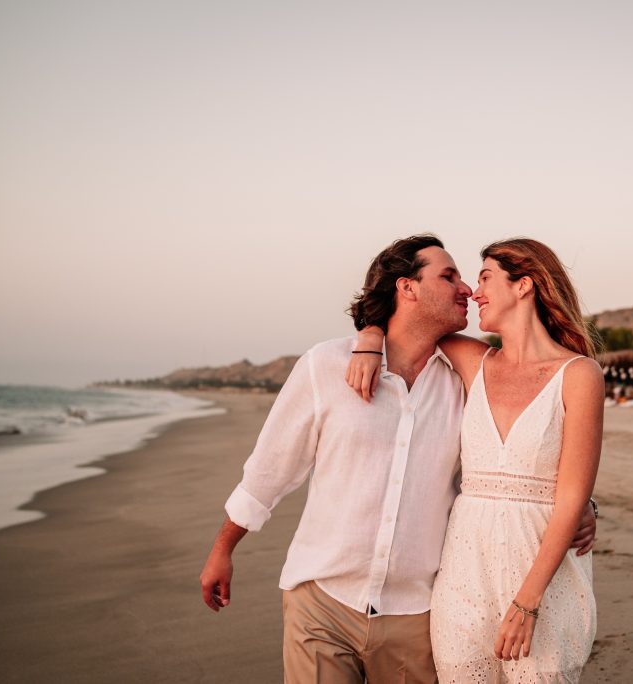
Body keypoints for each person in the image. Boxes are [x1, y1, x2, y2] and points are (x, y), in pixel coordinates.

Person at [198, 234, 596, 683]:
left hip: (415, 610)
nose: (467, 288)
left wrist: (583, 506)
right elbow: (269, 470)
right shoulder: (329, 366)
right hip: (324, 598)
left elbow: (527, 456)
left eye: (476, 277)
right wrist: (222, 548)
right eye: (450, 276)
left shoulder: (461, 376)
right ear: (407, 288)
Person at [347, 238, 603, 682]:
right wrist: (369, 335)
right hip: (465, 570)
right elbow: (408, 324)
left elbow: (572, 497)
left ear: (524, 286)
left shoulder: (579, 375)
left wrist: (528, 601)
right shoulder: (472, 360)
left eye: (485, 278)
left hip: (542, 572)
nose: (474, 291)